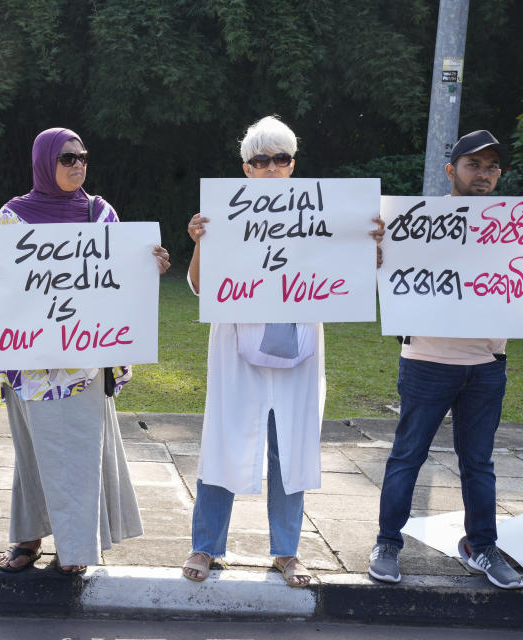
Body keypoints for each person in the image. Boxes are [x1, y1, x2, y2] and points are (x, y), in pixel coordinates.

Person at [182, 115, 383, 587]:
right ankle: (205, 545)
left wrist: (367, 244)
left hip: (300, 346)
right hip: (235, 346)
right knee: (224, 438)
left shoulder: (323, 213)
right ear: (246, 167)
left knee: (291, 445)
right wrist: (198, 244)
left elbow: (350, 280)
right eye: (260, 160)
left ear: (293, 165)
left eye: (280, 159)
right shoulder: (223, 214)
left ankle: (287, 551)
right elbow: (198, 286)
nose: (271, 168)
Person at [0, 127, 170, 574]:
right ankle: (27, 540)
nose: (78, 164)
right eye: (67, 158)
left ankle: (76, 548)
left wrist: (148, 267)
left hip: (84, 362)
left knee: (79, 454)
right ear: (45, 161)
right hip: (32, 363)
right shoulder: (14, 217)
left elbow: (121, 277)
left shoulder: (100, 214)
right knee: (32, 454)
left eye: (83, 156)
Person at [368, 130, 523, 590]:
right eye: (474, 165)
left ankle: (482, 547)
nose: (485, 174)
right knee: (406, 456)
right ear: (450, 170)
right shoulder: (413, 221)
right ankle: (387, 543)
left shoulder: (510, 225)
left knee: (479, 462)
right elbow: (381, 269)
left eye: (492, 166)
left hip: (486, 363)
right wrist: (376, 250)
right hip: (427, 360)